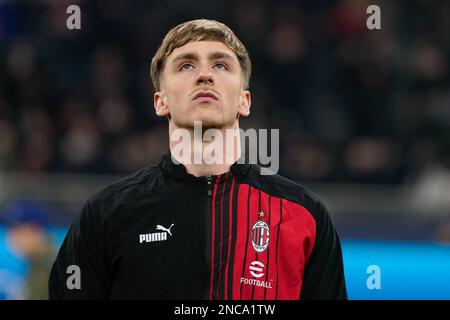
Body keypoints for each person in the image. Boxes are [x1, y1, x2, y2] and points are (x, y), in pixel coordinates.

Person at [49, 19, 347, 299]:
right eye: (186, 65)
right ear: (160, 101)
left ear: (244, 100)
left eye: (220, 64)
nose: (204, 75)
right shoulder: (106, 214)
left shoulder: (304, 215)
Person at [5, 200, 56, 300]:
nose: (13, 237)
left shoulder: (52, 264)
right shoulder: (36, 262)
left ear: (35, 231)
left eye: (18, 231)